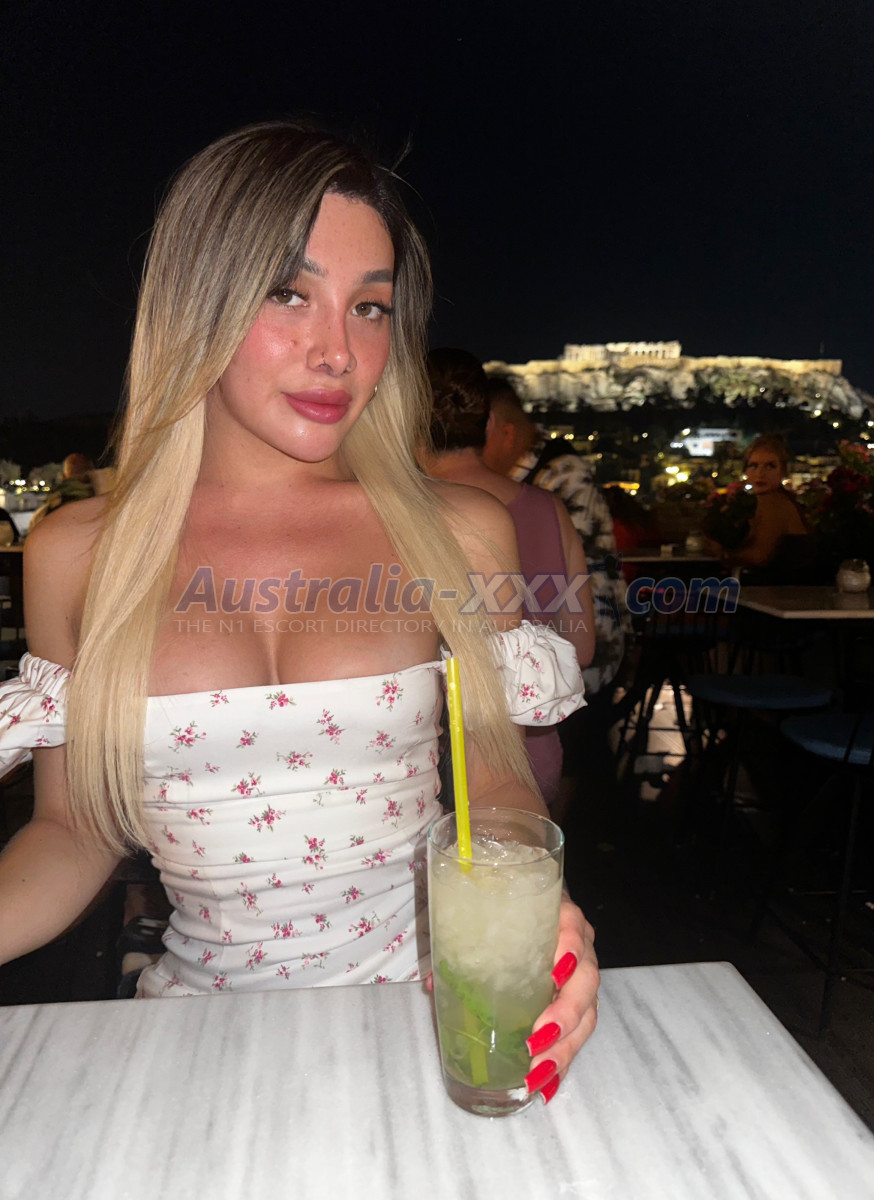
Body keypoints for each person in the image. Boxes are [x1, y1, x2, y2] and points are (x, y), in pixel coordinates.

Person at [0, 121, 597, 1100]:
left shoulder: (458, 533)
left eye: (370, 308)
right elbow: (73, 831)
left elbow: (495, 784)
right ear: (198, 301)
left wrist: (531, 910)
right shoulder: (78, 554)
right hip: (198, 1042)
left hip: (425, 1024)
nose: (338, 352)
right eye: (289, 292)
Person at [423, 347, 594, 809]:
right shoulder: (548, 509)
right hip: (530, 755)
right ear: (487, 426)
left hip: (427, 766)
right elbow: (581, 647)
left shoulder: (398, 511)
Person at [482, 377, 626, 690]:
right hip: (549, 657)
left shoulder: (563, 475)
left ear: (506, 433)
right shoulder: (538, 475)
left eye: (477, 441)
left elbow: (565, 577)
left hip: (579, 661)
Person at [711, 435, 811, 583]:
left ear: (783, 471)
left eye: (770, 466)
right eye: (754, 465)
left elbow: (759, 556)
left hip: (783, 590)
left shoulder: (774, 502)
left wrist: (724, 553)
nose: (760, 473)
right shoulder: (771, 500)